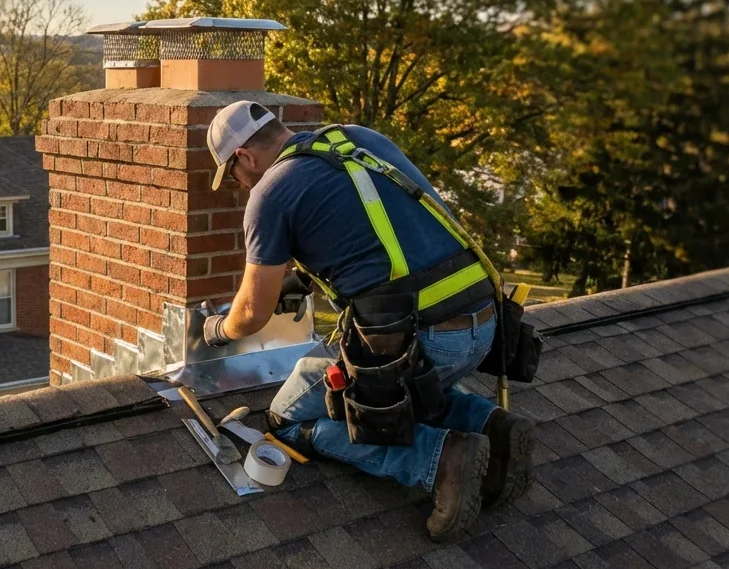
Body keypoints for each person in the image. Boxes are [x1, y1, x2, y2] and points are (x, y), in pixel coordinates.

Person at [199, 100, 534, 542]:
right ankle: (493, 425)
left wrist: (219, 329)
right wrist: (305, 278)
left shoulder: (269, 195)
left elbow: (251, 314)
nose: (240, 186)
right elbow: (395, 231)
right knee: (411, 386)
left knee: (287, 418)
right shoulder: (359, 139)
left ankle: (440, 459)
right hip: (486, 324)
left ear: (243, 156)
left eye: (234, 176)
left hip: (422, 341)